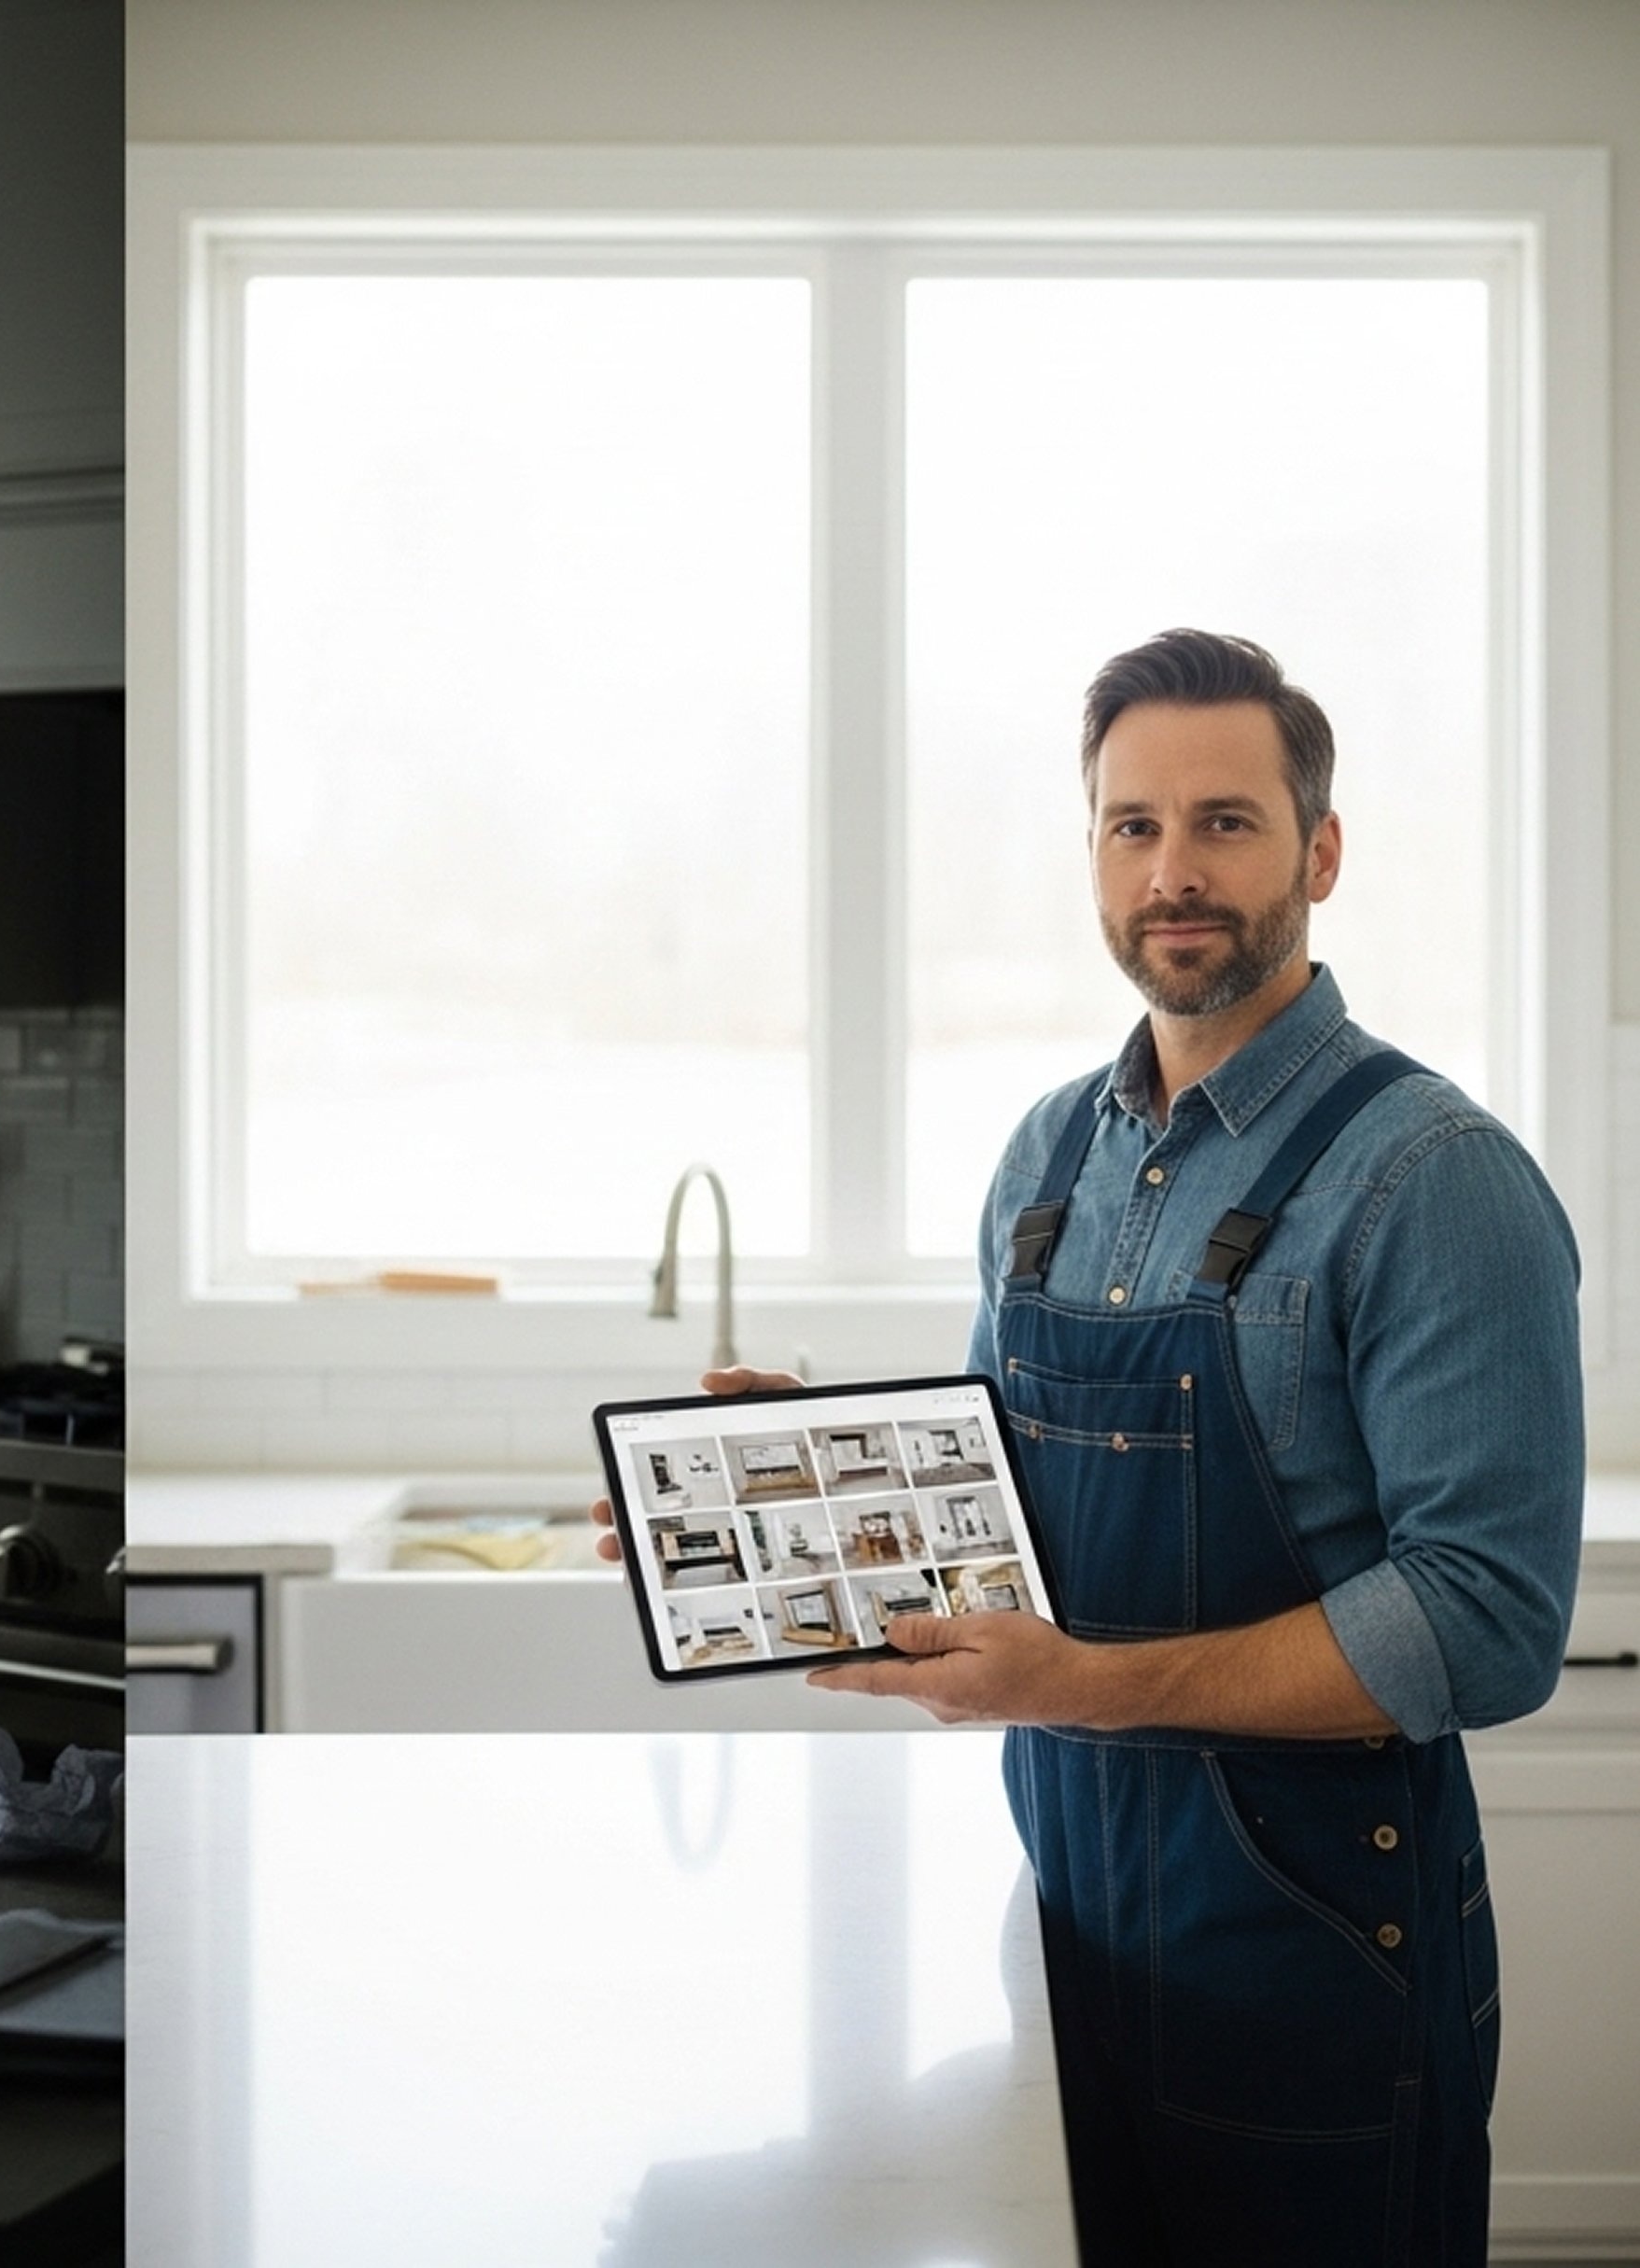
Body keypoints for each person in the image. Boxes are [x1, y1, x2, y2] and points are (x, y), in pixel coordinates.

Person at [599, 628, 1580, 2265]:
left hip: (1317, 1961)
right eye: (1134, 826)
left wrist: (1080, 1685)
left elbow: (1483, 1620)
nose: (1173, 870)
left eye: (1225, 821)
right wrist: (794, 1480)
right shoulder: (1054, 1150)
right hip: (1064, 1928)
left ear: (1320, 851)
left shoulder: (1436, 1179)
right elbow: (1021, 1511)